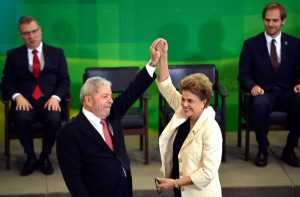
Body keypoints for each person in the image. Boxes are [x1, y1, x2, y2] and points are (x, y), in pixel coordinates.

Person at [56, 38, 164, 197]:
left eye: (111, 96)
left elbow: (133, 90)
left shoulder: (113, 113)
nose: (110, 100)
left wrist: (153, 62)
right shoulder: (69, 133)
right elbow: (73, 179)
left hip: (123, 189)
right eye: (105, 96)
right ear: (88, 100)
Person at [1, 16, 70, 176]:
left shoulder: (57, 53)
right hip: (26, 102)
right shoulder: (13, 55)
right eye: (26, 33)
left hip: (49, 101)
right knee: (21, 118)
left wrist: (56, 97)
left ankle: (45, 157)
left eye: (34, 31)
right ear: (20, 35)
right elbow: (6, 83)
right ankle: (30, 157)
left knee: (54, 118)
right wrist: (17, 96)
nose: (31, 36)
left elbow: (64, 81)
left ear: (40, 31)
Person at [155, 39, 222, 197]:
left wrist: (175, 182)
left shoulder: (211, 129)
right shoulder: (185, 111)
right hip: (180, 191)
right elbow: (165, 85)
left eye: (190, 101)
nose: (184, 104)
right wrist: (163, 56)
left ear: (204, 102)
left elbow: (207, 173)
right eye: (183, 99)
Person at [238, 2, 300, 167]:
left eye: (275, 20)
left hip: (287, 92)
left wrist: (299, 82)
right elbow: (243, 75)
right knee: (259, 104)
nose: (271, 24)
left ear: (283, 21)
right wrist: (252, 86)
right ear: (263, 20)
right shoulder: (250, 44)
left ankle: (289, 150)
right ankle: (263, 149)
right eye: (267, 20)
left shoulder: (295, 44)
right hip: (263, 93)